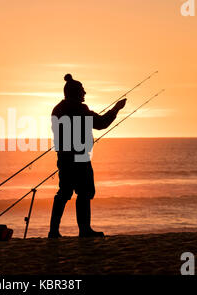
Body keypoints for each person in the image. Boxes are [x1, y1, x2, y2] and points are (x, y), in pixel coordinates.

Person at [49, 74, 127, 238]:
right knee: (84, 193)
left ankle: (54, 231)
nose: (85, 93)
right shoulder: (79, 109)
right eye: (82, 90)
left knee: (64, 192)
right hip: (79, 158)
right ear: (75, 92)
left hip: (63, 157)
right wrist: (116, 109)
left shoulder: (57, 109)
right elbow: (101, 123)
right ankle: (84, 230)